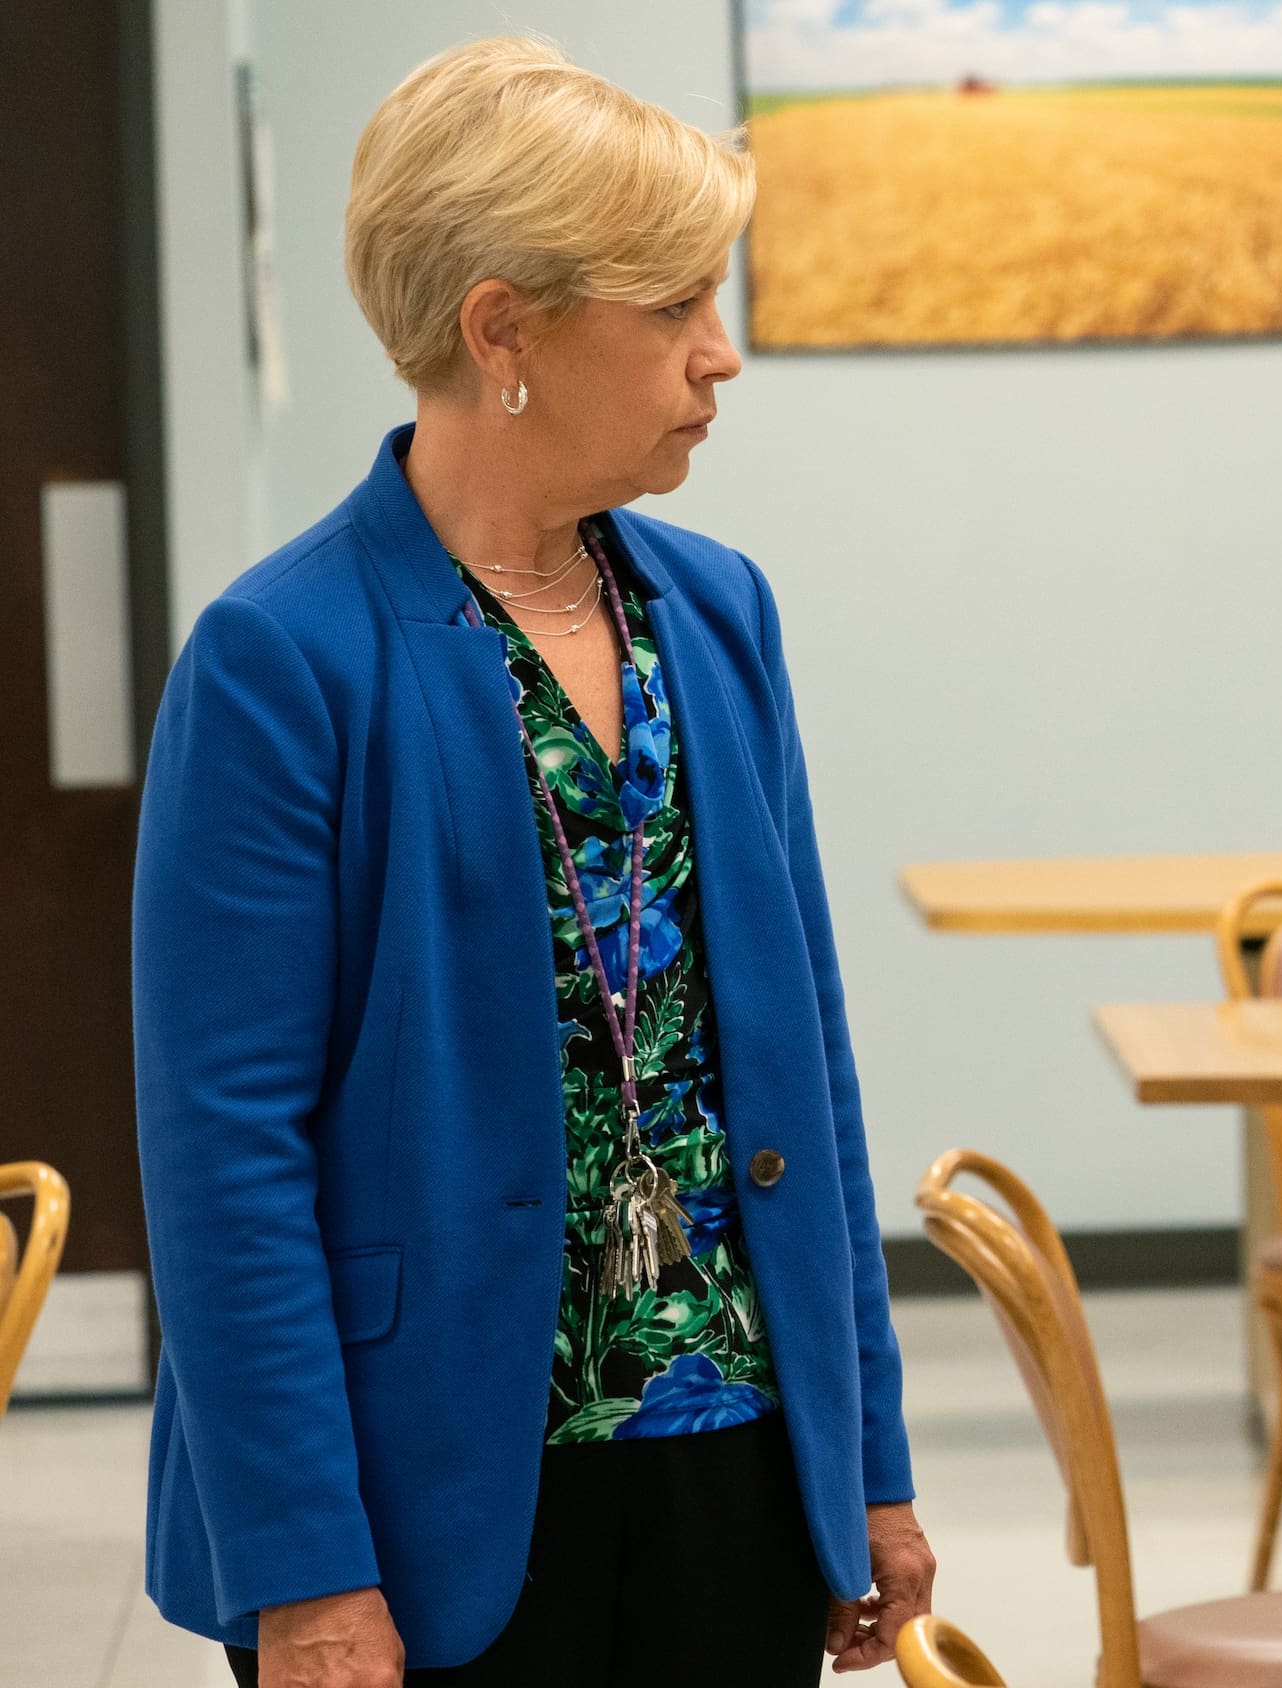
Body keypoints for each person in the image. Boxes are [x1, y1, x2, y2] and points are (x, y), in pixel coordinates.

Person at [134, 37, 932, 1686]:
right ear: (502, 330)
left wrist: (870, 1463)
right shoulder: (281, 657)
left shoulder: (717, 610)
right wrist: (304, 1565)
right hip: (422, 1489)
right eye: (675, 306)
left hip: (736, 1453)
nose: (721, 355)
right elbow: (223, 1157)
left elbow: (808, 1062)